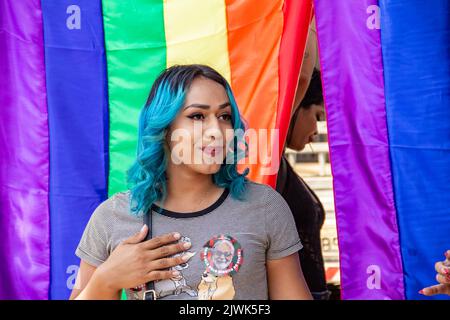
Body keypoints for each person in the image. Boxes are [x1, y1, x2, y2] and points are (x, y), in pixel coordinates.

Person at [69, 64, 312, 300]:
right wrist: (106, 279)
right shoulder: (112, 217)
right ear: (164, 128)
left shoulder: (265, 206)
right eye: (197, 116)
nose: (217, 131)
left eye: (225, 116)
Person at [276, 68, 329, 300]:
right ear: (296, 106)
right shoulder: (271, 166)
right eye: (317, 116)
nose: (317, 130)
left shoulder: (283, 167)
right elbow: (302, 73)